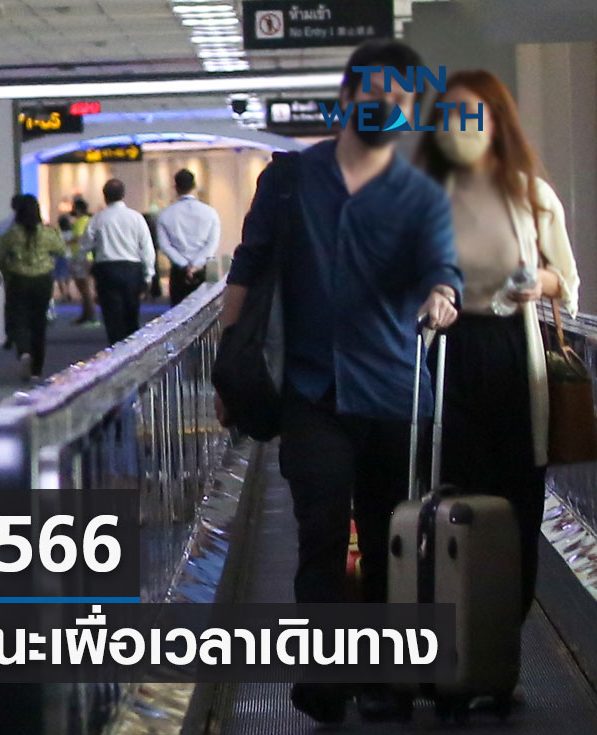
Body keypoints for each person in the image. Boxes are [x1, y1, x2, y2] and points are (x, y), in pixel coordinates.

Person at [219, 39, 462, 723]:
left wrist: (443, 295)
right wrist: (229, 371)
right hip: (312, 392)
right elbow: (247, 271)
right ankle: (326, 675)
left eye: (401, 101)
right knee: (321, 530)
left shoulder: (419, 194)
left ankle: (384, 675)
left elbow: (443, 267)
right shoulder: (291, 180)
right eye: (377, 95)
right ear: (349, 97)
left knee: (389, 538)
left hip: (394, 392)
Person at [415, 70, 580, 625]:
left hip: (513, 351)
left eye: (472, 114)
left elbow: (566, 281)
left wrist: (539, 284)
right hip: (449, 352)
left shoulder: (531, 195)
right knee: (455, 488)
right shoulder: (427, 194)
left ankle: (507, 626)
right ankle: (458, 622)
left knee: (517, 493)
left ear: (496, 121)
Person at [0, 195, 67, 382]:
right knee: (39, 322)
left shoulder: (11, 234)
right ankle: (37, 369)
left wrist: (6, 274)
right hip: (42, 280)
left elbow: (1, 257)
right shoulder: (47, 232)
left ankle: (24, 351)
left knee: (19, 319)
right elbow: (62, 250)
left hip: (18, 279)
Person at [79, 179, 155, 346]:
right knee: (131, 314)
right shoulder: (136, 217)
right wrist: (149, 275)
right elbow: (147, 248)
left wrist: (85, 266)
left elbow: (84, 247)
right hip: (132, 269)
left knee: (112, 316)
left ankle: (116, 348)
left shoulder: (97, 219)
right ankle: (132, 349)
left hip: (107, 270)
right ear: (123, 195)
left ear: (104, 196)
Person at [156, 169, 221, 307]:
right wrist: (196, 264)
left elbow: (165, 246)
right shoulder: (210, 213)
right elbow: (212, 243)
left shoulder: (165, 214)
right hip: (205, 269)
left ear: (175, 188)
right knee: (205, 311)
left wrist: (185, 264)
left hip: (178, 271)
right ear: (194, 186)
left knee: (178, 313)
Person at [0, 195, 23, 349]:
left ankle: (11, 334)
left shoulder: (4, 225)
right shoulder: (35, 225)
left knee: (11, 302)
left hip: (10, 268)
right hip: (31, 269)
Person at [68, 197, 97, 324]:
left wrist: (67, 242)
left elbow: (79, 237)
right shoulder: (89, 220)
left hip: (81, 257)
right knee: (86, 287)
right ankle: (87, 313)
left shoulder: (80, 222)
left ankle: (89, 314)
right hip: (88, 256)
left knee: (84, 287)